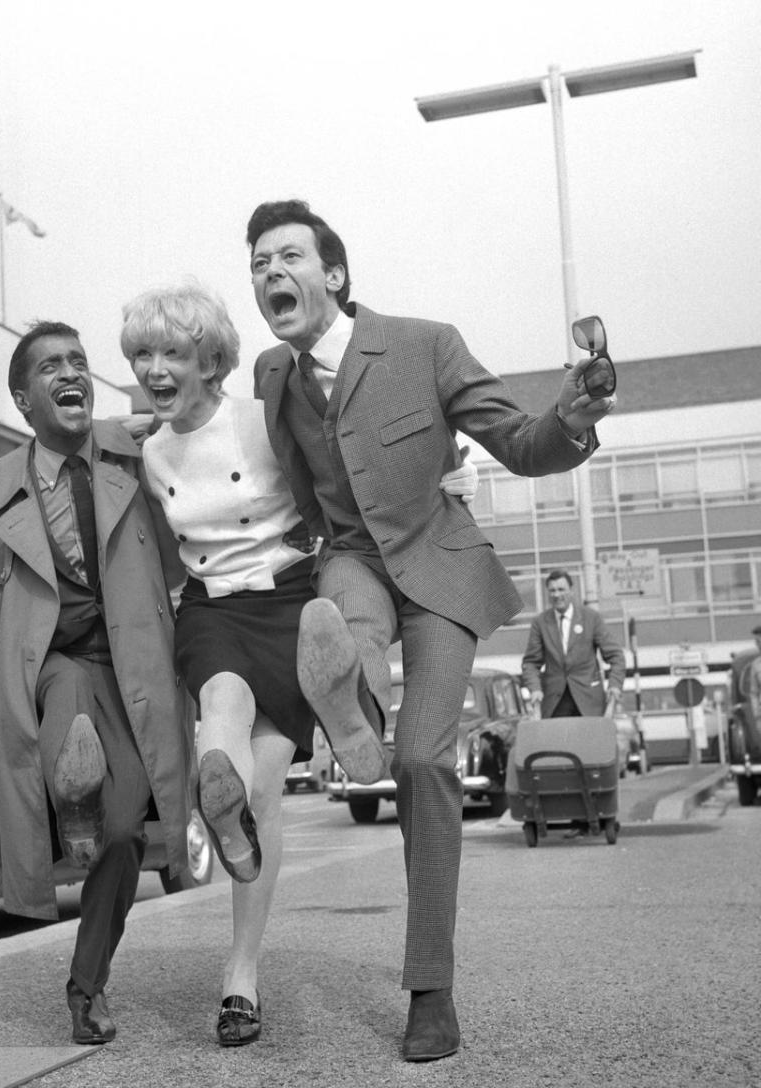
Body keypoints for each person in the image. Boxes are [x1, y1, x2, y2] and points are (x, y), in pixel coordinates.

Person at [244, 198, 616, 1063]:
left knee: (424, 763)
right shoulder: (271, 374)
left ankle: (431, 987)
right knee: (341, 625)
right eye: (257, 262)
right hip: (351, 561)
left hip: (440, 568)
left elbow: (522, 444)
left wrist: (576, 411)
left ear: (332, 274)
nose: (269, 273)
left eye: (286, 255)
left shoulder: (425, 344)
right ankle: (353, 714)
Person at [117, 281, 478, 1048]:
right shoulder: (147, 450)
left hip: (292, 607)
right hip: (213, 609)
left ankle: (240, 971)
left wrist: (443, 471)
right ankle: (223, 806)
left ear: (209, 359)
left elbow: (343, 463)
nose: (154, 367)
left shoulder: (264, 418)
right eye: (141, 354)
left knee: (269, 787)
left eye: (171, 353)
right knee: (221, 701)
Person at [0, 321, 194, 1046]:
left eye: (78, 361)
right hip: (51, 660)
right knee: (68, 715)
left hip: (131, 661)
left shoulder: (138, 457)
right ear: (23, 398)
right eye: (51, 366)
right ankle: (72, 788)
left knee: (124, 827)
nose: (71, 373)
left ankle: (87, 981)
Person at [521, 569, 626, 718]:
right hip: (555, 704)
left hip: (589, 702)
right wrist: (535, 689)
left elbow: (616, 656)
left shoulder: (591, 618)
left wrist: (614, 686)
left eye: (561, 589)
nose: (556, 595)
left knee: (590, 741)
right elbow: (531, 663)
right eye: (552, 591)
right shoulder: (540, 623)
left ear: (571, 590)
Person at [746, 624, 761, 720]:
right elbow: (754, 692)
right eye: (756, 642)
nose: (757, 645)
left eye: (759, 641)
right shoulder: (756, 665)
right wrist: (757, 716)